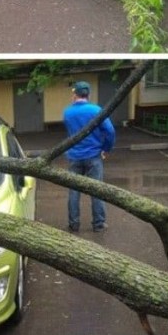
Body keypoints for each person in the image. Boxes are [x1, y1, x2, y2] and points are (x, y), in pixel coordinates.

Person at [63, 81, 116, 232]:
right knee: (96, 190)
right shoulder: (96, 110)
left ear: (74, 95)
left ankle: (74, 224)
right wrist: (106, 148)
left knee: (74, 191)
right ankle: (98, 224)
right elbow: (110, 131)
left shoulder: (67, 112)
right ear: (88, 94)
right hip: (93, 156)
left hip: (74, 156)